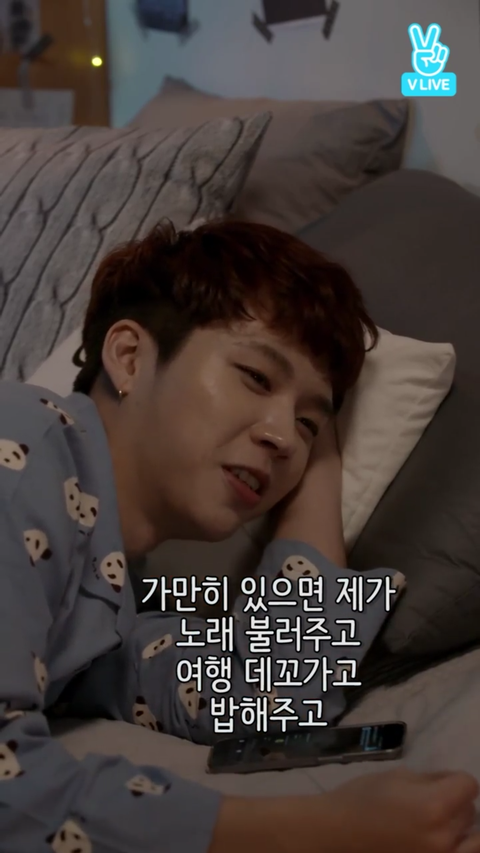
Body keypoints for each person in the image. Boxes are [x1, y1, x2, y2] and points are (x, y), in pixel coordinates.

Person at [0, 218, 478, 853]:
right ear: (130, 357)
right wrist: (326, 829)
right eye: (255, 377)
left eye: (306, 425)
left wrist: (318, 453)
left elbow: (274, 689)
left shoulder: (106, 594)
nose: (282, 438)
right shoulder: (23, 444)